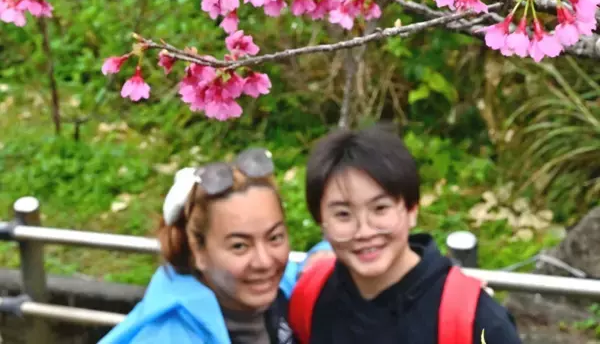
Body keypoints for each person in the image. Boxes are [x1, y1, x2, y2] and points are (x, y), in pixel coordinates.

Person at [289, 125, 522, 344]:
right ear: (322, 223)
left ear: (412, 210)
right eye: (343, 214)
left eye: (380, 208)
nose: (364, 231)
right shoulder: (311, 297)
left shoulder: (475, 321)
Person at [100, 147, 330, 344]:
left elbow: (314, 262)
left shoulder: (283, 292)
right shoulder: (169, 337)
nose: (265, 261)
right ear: (198, 251)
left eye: (274, 238)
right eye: (240, 246)